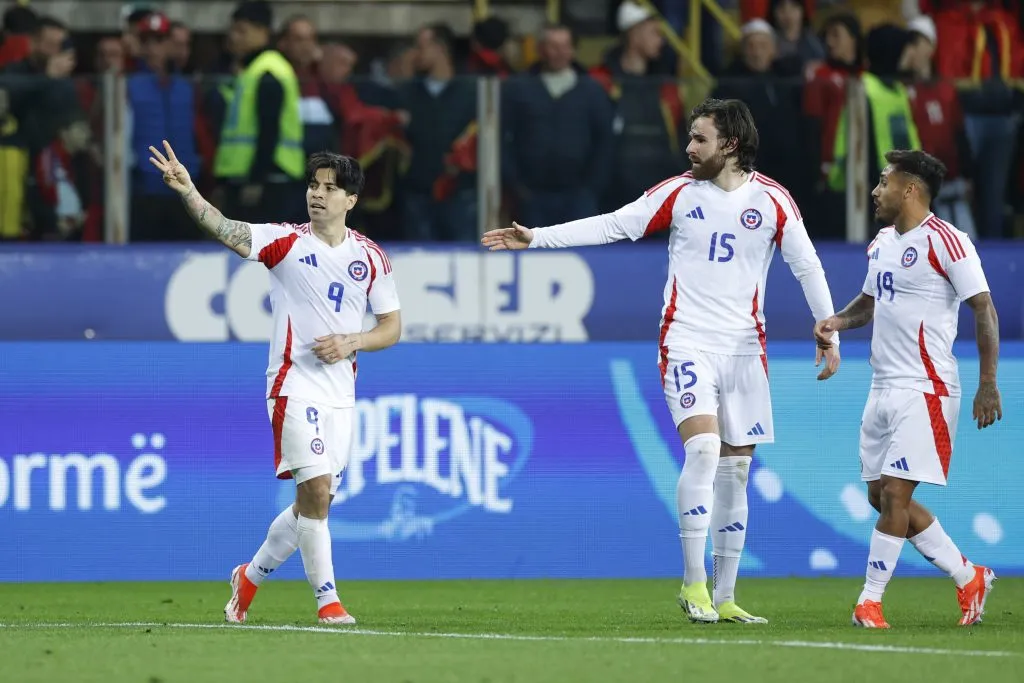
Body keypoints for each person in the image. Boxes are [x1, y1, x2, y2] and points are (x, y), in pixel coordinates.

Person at [483, 98, 841, 624]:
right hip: (686, 340)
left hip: (745, 348)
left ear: (731, 145)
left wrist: (827, 327)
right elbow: (614, 225)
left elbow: (806, 264)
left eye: (700, 139)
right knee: (703, 449)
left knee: (736, 471)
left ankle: (726, 597)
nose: (689, 148)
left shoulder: (774, 202)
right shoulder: (678, 193)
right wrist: (538, 239)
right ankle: (693, 584)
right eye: (690, 138)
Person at [148, 140, 402, 624]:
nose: (318, 194)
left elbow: (391, 327)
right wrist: (188, 191)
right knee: (318, 487)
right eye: (313, 185)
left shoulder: (370, 258)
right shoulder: (285, 241)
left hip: (340, 394)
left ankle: (249, 577)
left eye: (330, 188)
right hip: (292, 384)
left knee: (316, 500)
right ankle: (328, 601)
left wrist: (354, 341)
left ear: (351, 200)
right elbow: (226, 228)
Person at [814, 150, 1000, 629]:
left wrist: (988, 384)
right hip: (882, 387)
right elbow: (871, 302)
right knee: (880, 497)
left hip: (928, 386)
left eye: (883, 182)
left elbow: (984, 308)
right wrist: (838, 319)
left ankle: (869, 603)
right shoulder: (880, 242)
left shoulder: (948, 242)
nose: (876, 192)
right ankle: (967, 575)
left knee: (896, 494)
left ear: (910, 190)